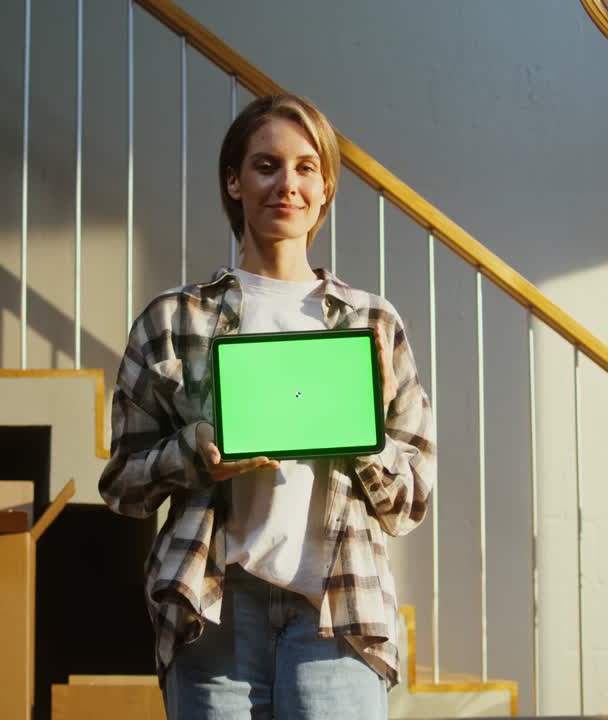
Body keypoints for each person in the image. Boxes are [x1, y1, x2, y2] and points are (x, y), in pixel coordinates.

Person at [99, 93, 436, 720]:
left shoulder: (372, 323)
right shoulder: (173, 319)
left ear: (326, 186)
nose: (288, 184)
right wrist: (193, 453)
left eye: (307, 167)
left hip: (337, 612)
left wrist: (367, 429)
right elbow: (122, 486)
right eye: (266, 166)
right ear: (234, 180)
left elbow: (411, 501)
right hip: (215, 607)